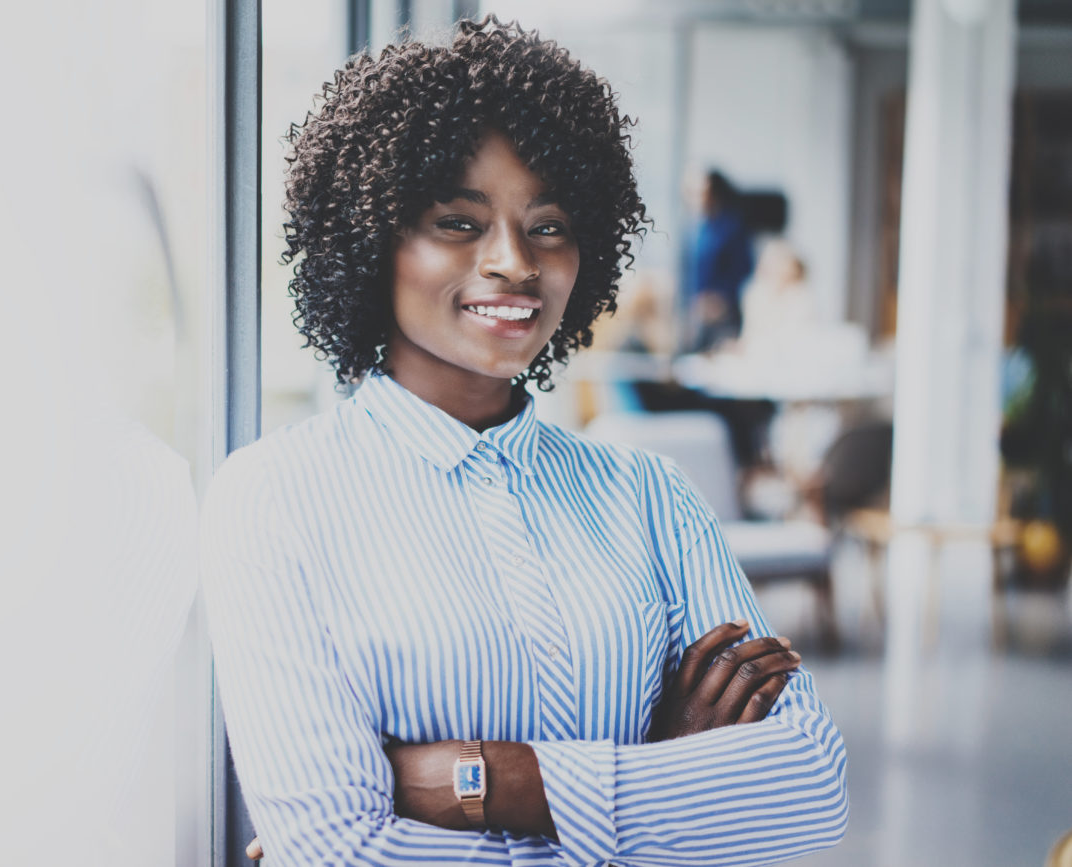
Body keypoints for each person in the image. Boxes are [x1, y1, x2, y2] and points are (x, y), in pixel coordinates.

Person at [202, 17, 847, 866]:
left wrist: (483, 780)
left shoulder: (649, 496)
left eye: (548, 225)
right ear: (371, 238)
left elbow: (808, 788)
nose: (514, 261)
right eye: (458, 222)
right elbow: (341, 849)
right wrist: (660, 774)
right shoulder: (272, 499)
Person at [681, 167, 755, 352]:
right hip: (698, 311)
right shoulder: (697, 228)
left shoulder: (732, 226)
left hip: (724, 312)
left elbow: (743, 268)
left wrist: (721, 299)